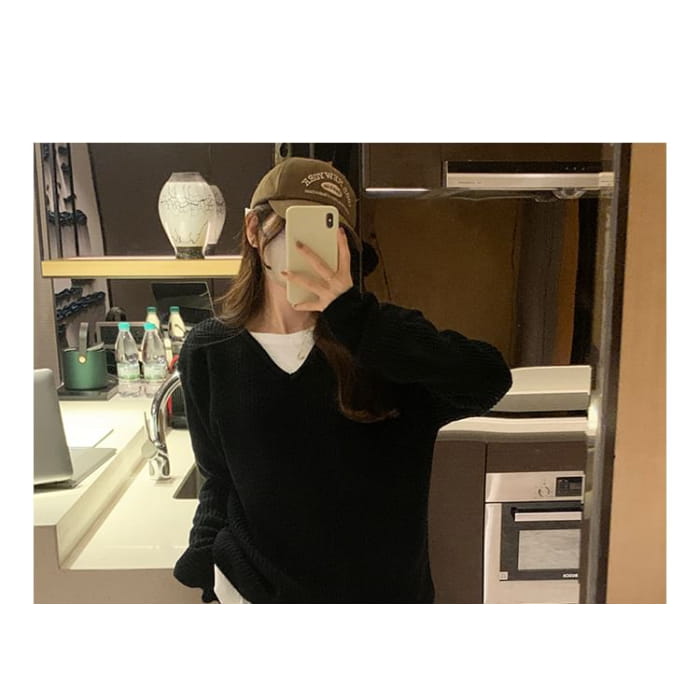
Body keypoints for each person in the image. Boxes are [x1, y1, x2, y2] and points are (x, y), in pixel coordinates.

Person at [173, 156, 513, 604]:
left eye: (332, 232)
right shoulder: (210, 349)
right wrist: (205, 561)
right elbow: (218, 477)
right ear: (254, 230)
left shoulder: (382, 341)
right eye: (297, 226)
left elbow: (488, 378)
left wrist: (353, 316)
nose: (314, 248)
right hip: (261, 598)